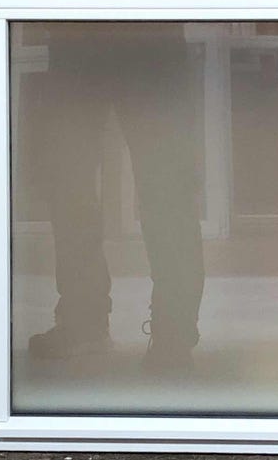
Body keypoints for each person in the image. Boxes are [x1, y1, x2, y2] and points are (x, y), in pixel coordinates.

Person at [25, 22, 205, 372]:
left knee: (164, 184)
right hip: (98, 28)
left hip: (127, 26)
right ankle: (97, 324)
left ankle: (167, 333)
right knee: (71, 177)